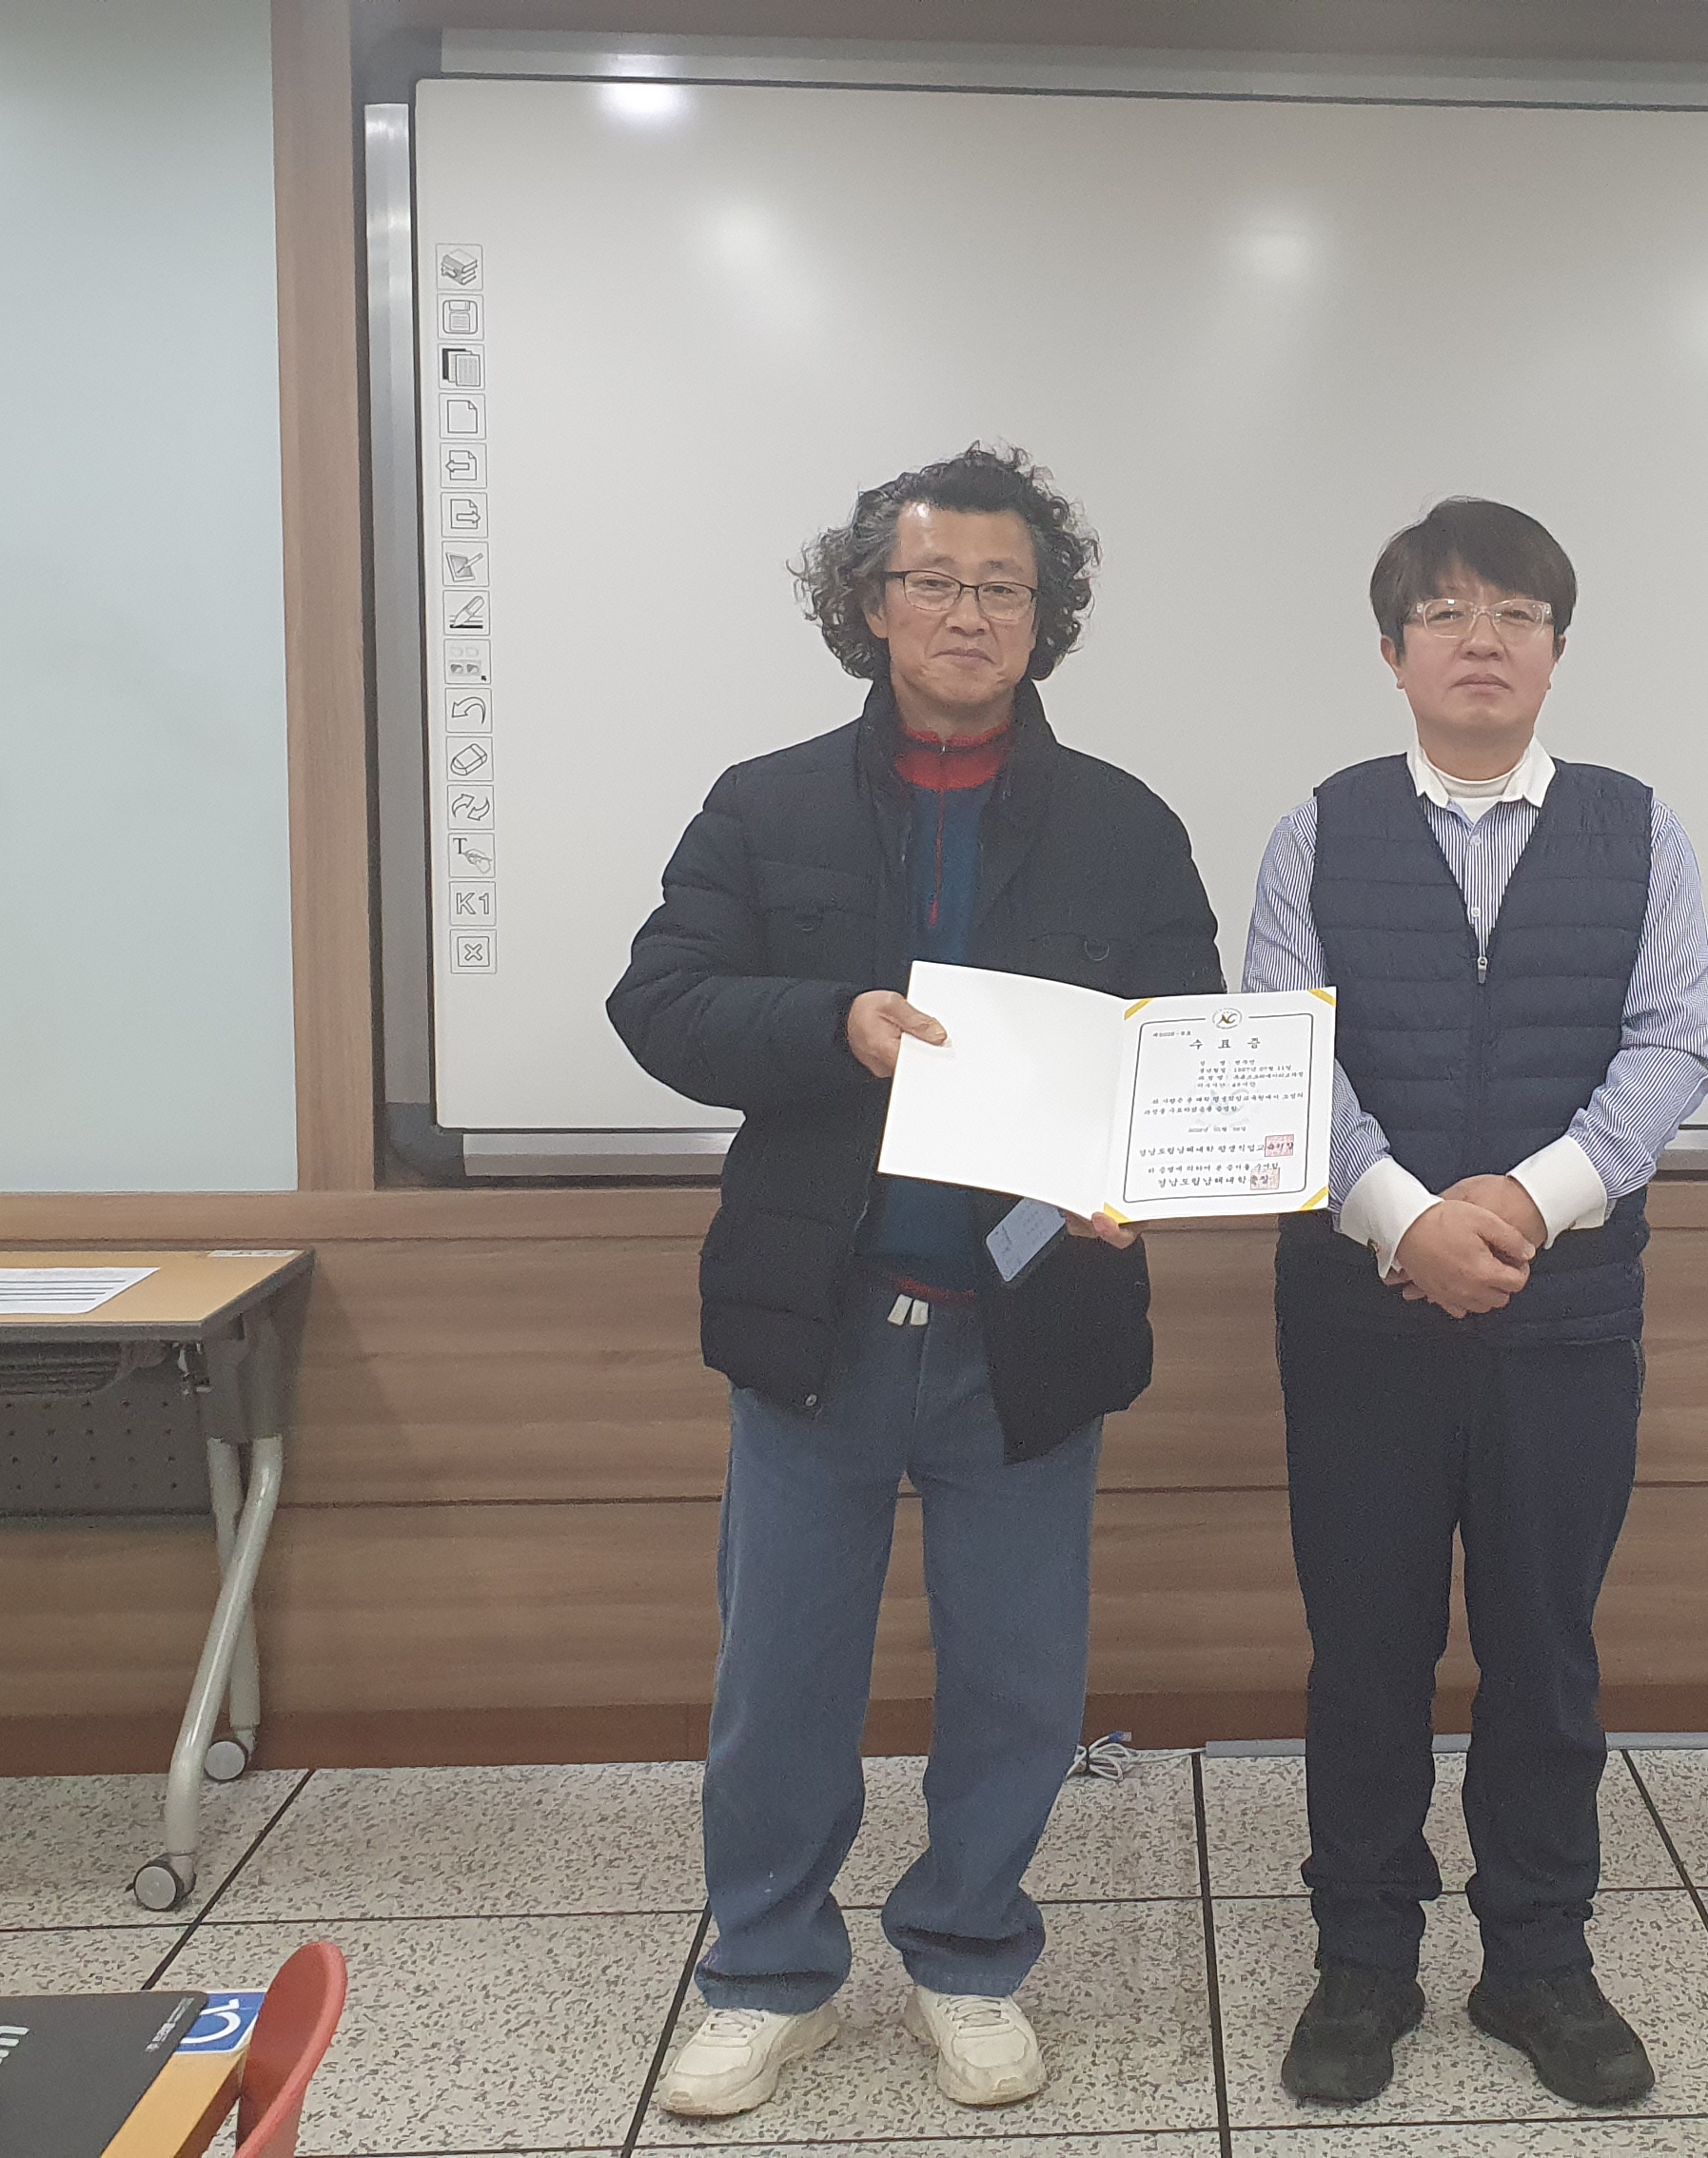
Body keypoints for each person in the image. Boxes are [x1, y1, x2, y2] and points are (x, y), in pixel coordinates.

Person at [606, 443, 1220, 2122]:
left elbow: (1183, 1039)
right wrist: (838, 1024)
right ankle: (765, 1972)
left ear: (1045, 615)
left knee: (1018, 1681)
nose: (968, 613)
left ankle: (968, 1955)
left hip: (1032, 1317)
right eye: (935, 582)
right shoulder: (768, 803)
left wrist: (1141, 1173)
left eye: (1003, 588)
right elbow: (659, 1004)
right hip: (821, 1320)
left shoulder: (1123, 822)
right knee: (781, 1681)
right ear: (870, 604)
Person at [1241, 498, 1708, 2108]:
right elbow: (1284, 1054)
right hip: (1359, 1317)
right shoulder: (1318, 830)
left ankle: (1538, 1959)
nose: (1483, 641)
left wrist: (1521, 1202)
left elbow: (1673, 1042)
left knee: (1543, 1648)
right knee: (1364, 1647)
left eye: (1517, 614)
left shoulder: (1640, 830)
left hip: (1565, 1316)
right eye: (1447, 614)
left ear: (1556, 651)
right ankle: (1364, 1958)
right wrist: (1403, 1220)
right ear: (1394, 654)